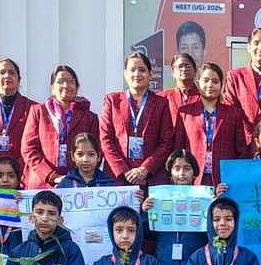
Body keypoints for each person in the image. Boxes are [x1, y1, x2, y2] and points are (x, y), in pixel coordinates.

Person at [100, 51, 176, 191]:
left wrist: (145, 169)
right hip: (118, 179)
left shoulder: (161, 103)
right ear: (125, 74)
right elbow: (105, 139)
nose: (137, 74)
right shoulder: (112, 100)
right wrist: (123, 171)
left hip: (152, 179)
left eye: (142, 70)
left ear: (150, 74)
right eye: (132, 70)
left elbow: (166, 142)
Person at [21, 65, 98, 189]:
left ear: (77, 86)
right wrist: (52, 176)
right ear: (52, 87)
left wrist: (76, 177)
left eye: (70, 81)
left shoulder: (89, 117)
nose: (65, 85)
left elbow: (96, 152)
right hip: (42, 182)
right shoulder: (38, 111)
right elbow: (28, 149)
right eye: (60, 81)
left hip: (77, 184)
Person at [174, 62, 245, 188]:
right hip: (193, 178)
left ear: (221, 85)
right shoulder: (185, 112)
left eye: (215, 81)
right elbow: (178, 149)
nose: (210, 85)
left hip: (224, 180)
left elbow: (240, 151)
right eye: (205, 80)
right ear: (198, 83)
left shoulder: (233, 113)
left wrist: (236, 178)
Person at [223, 27, 261, 141]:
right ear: (248, 47)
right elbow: (230, 111)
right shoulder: (235, 76)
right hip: (243, 140)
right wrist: (249, 135)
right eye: (256, 43)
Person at [163, 52, 201, 124]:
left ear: (195, 71)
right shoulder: (163, 97)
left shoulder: (204, 97)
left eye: (188, 66)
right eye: (180, 66)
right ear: (172, 72)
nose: (184, 69)